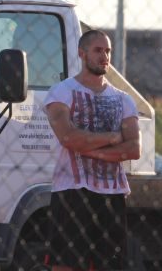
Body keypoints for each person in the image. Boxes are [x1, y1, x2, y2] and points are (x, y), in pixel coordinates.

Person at [43, 29, 142, 271]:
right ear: (82, 53)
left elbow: (133, 149)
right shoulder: (61, 92)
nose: (104, 56)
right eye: (98, 50)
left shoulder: (123, 99)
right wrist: (111, 138)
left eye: (108, 51)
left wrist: (90, 149)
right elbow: (68, 137)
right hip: (71, 191)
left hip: (112, 193)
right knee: (65, 265)